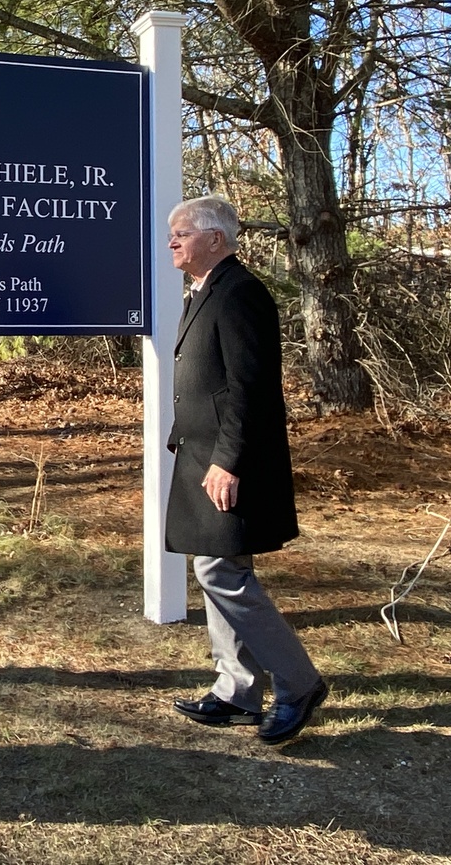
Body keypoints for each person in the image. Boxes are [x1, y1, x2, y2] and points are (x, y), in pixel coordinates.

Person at [164, 195, 327, 744]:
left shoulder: (240, 293)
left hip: (226, 460)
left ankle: (298, 684)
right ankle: (236, 691)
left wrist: (226, 461)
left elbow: (249, 389)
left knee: (221, 572)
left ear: (215, 238)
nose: (172, 242)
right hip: (200, 453)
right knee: (218, 567)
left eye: (181, 233)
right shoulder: (206, 290)